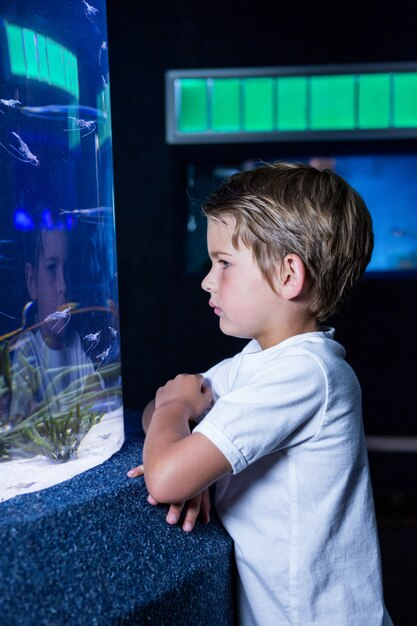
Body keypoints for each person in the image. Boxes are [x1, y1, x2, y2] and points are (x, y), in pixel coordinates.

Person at [128, 162, 393, 625]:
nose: (207, 281)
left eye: (224, 263)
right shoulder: (257, 362)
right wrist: (189, 444)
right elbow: (158, 408)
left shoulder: (309, 373)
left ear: (289, 275)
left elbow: (166, 470)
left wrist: (183, 432)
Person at [9, 216, 99, 425]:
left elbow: (99, 398)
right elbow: (18, 423)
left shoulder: (78, 344)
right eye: (51, 268)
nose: (63, 285)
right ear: (32, 281)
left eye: (67, 269)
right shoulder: (27, 351)